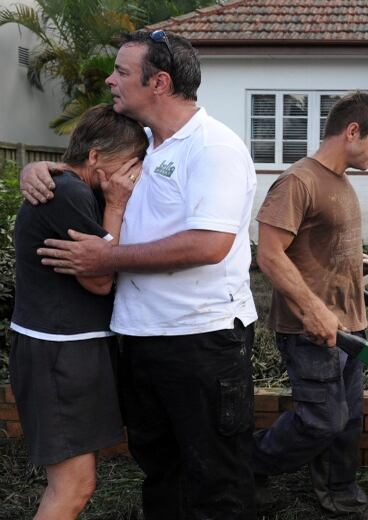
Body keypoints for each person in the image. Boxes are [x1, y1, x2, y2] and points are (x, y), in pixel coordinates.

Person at [19, 30, 258, 519]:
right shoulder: (139, 145)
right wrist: (42, 168)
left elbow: (210, 245)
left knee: (216, 480)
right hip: (138, 337)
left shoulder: (214, 148)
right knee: (161, 472)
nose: (110, 79)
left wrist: (108, 259)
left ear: (160, 82)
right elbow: (88, 170)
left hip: (200, 340)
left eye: (122, 72)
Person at [252, 92, 368, 518]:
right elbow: (269, 254)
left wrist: (361, 286)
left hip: (349, 323)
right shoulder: (299, 181)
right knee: (323, 421)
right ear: (352, 131)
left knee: (348, 420)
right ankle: (246, 463)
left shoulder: (340, 180)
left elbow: (331, 248)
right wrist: (314, 310)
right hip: (310, 329)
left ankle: (341, 498)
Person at [10, 104, 147, 520]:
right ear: (94, 158)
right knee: (73, 486)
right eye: (128, 166)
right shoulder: (68, 192)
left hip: (67, 350)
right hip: (59, 354)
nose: (132, 177)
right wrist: (118, 206)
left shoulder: (73, 188)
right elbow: (100, 279)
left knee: (76, 483)